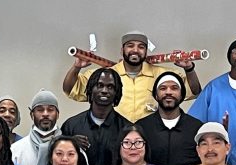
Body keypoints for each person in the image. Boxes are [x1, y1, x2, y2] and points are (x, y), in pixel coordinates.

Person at [63, 31, 200, 123]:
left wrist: (189, 68)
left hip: (150, 138)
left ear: (146, 51)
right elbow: (71, 89)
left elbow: (193, 91)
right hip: (114, 136)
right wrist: (77, 67)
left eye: (141, 47)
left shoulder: (162, 75)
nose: (135, 50)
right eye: (130, 46)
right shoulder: (106, 75)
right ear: (122, 50)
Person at [60, 68, 133, 165]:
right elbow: (59, 160)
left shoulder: (127, 128)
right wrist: (70, 144)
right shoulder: (71, 125)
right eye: (99, 85)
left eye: (110, 87)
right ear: (90, 89)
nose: (104, 90)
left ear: (116, 92)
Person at [136, 72, 203, 165]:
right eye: (163, 88)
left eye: (174, 88)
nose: (168, 92)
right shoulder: (141, 127)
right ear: (156, 95)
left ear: (182, 95)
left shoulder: (197, 128)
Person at [11, 90, 62, 165]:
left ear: (57, 114)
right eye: (40, 110)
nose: (45, 114)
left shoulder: (72, 149)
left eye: (50, 110)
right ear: (32, 115)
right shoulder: (16, 150)